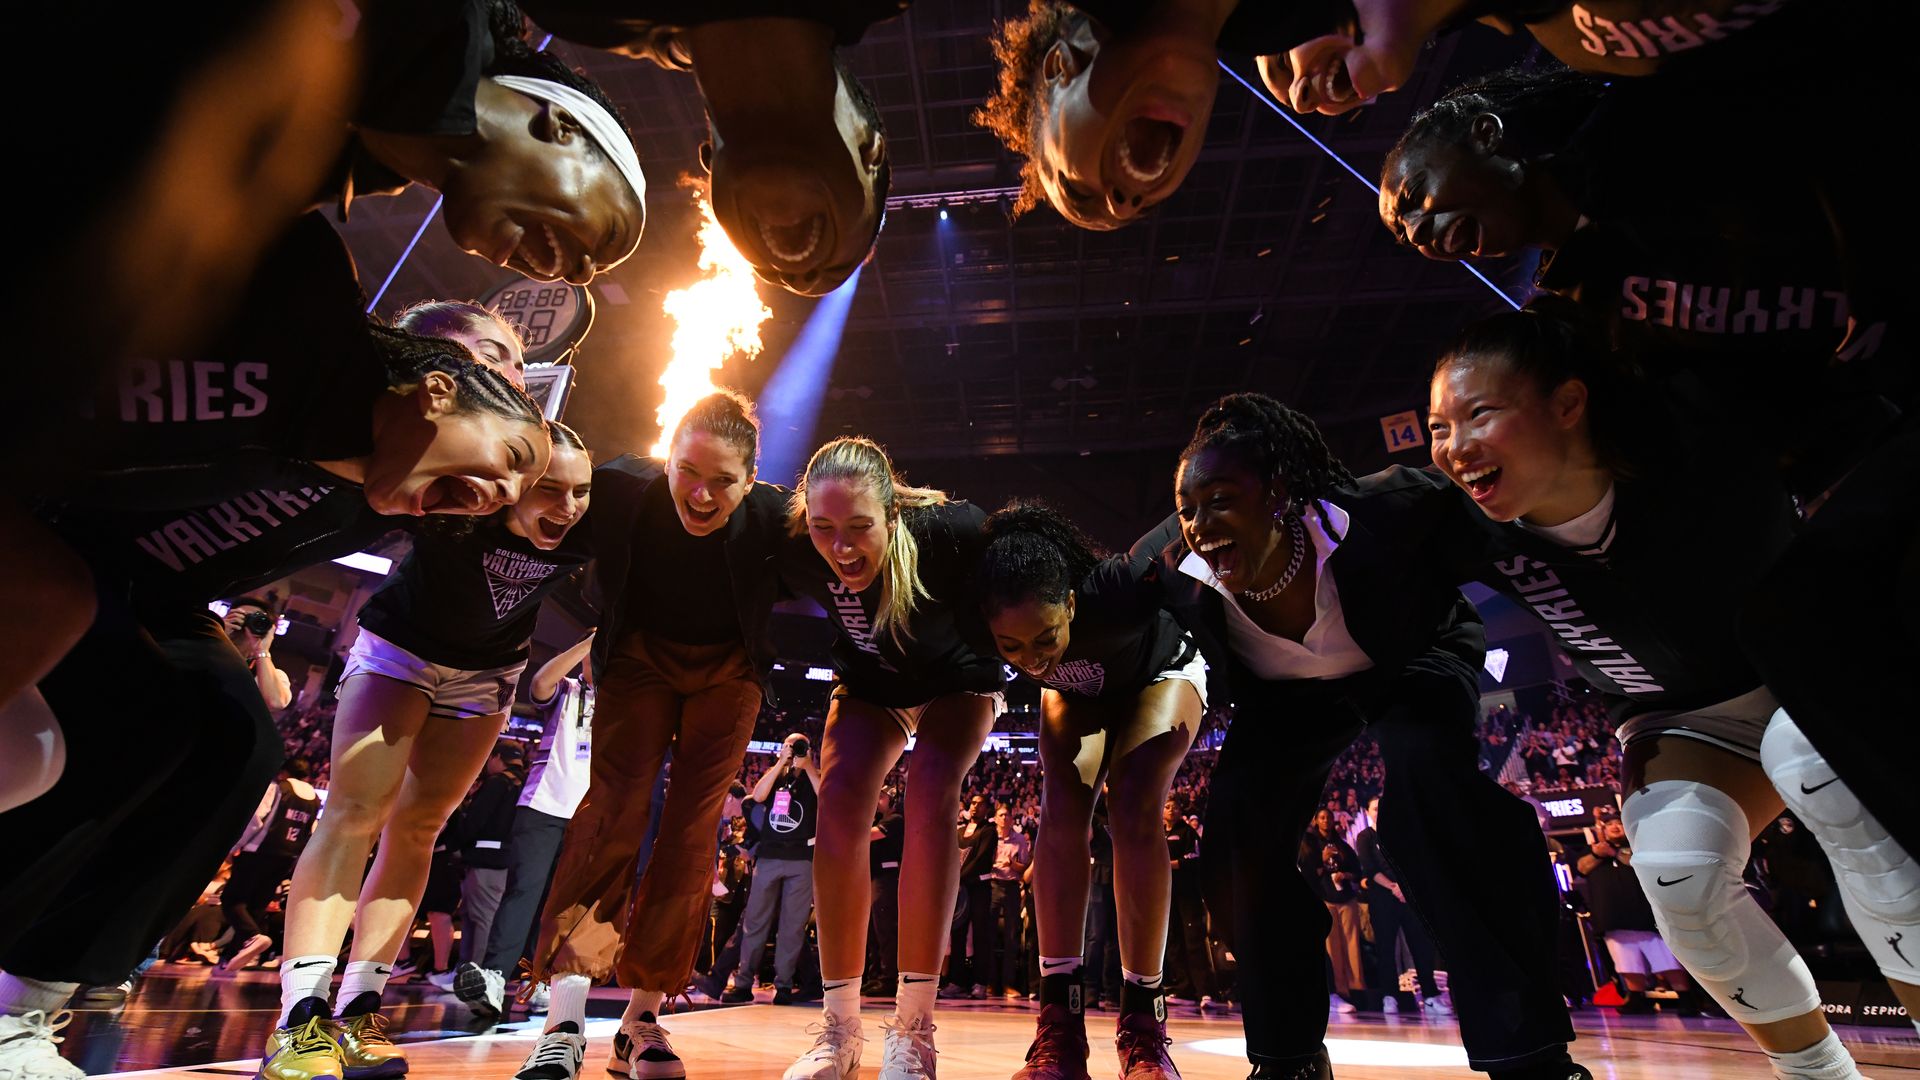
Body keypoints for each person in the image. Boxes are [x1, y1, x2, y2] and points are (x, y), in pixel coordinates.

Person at [0, 222, 550, 1080]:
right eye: (497, 359)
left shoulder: (412, 486)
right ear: (432, 370)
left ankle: (21, 1015)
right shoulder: (292, 367)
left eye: (521, 373)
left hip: (155, 596)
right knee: (98, 728)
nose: (514, 380)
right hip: (53, 544)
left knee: (235, 737)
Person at [1422, 308, 1914, 1077]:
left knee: (1810, 768)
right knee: (1679, 877)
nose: (1454, 447)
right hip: (1679, 719)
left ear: (1568, 402)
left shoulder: (1692, 428)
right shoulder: (1450, 522)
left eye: (1478, 413)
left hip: (1806, 677)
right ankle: (1818, 1074)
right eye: (1438, 427)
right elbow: (1311, 509)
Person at [1126, 393, 1587, 1080]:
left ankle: (1528, 1050)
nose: (1199, 524)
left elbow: (1524, 542)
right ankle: (1289, 1056)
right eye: (1188, 509)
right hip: (1286, 698)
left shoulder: (1391, 510)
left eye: (1221, 500)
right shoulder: (1166, 562)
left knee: (1426, 792)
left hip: (1410, 657)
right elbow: (1084, 603)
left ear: (1279, 492)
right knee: (1234, 840)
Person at [263, 423, 592, 1080]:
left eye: (581, 492)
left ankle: (358, 1011)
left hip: (488, 675)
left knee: (418, 830)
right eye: (551, 489)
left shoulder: (588, 526)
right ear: (512, 485)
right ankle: (298, 1020)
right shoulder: (460, 503)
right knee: (354, 815)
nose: (569, 507)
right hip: (400, 652)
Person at [514, 391, 794, 1080]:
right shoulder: (617, 486)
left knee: (693, 833)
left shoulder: (778, 517)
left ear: (752, 479)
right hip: (638, 657)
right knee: (611, 812)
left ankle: (643, 1018)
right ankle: (564, 1021)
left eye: (722, 480)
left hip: (730, 670)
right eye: (687, 471)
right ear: (665, 459)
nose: (700, 493)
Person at [775, 436, 1008, 1080]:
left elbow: (1033, 574)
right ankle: (840, 1033)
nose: (841, 548)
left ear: (893, 515)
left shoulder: (952, 532)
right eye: (825, 530)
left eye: (858, 528)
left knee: (932, 785)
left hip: (957, 681)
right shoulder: (795, 543)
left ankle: (913, 1031)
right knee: (842, 800)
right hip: (872, 685)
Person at [973, 498, 1210, 1078]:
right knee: (1060, 807)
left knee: (1132, 800)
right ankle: (1059, 1029)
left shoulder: (1119, 585)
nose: (1032, 659)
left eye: (1045, 636)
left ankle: (1144, 1030)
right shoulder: (982, 612)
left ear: (1072, 603)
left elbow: (1196, 514)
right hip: (1084, 694)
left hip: (1163, 671)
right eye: (1012, 648)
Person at [516, 1, 898, 296]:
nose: (798, 276)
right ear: (871, 150)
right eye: (838, 267)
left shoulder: (578, 13)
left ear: (710, 166)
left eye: (770, 274)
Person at [335, 0, 645, 284]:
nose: (582, 276)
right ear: (562, 127)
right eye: (612, 233)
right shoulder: (438, 14)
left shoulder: (334, 174)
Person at [977, 0, 1355, 229]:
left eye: (1077, 190)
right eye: (1146, 206)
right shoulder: (1305, 17)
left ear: (1060, 66)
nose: (1124, 204)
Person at [457, 633, 597, 1019]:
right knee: (524, 891)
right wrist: (588, 642)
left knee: (560, 905)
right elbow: (539, 684)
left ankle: (536, 980)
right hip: (543, 807)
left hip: (589, 816)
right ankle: (495, 976)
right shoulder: (568, 689)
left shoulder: (623, 703)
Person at [723, 733, 822, 1006]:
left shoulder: (814, 776)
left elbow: (826, 798)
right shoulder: (776, 774)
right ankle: (743, 983)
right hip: (769, 857)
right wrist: (781, 763)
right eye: (790, 745)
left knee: (792, 927)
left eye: (800, 746)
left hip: (802, 858)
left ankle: (784, 987)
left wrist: (808, 765)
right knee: (755, 921)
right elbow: (760, 795)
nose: (795, 750)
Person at [1574, 817, 1699, 1016]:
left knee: (1667, 961)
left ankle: (1686, 997)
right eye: (1609, 825)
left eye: (1618, 823)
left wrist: (1614, 852)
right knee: (1626, 963)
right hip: (1612, 918)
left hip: (1646, 916)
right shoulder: (1593, 853)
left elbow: (1638, 863)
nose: (1614, 827)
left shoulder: (1641, 848)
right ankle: (1636, 997)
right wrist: (1597, 854)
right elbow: (1582, 867)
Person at [220, 758, 324, 973]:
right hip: (288, 856)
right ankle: (229, 959)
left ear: (284, 772)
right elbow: (311, 830)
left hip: (260, 850)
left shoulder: (278, 788)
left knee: (232, 899)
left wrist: (236, 845)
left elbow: (256, 819)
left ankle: (251, 937)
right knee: (257, 905)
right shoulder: (314, 799)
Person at [1353, 796, 1443, 1016]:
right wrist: (1394, 887)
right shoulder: (1365, 837)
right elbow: (1370, 868)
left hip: (1408, 897)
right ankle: (1389, 996)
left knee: (1420, 947)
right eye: (1375, 808)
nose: (1379, 811)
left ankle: (1430, 995)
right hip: (1382, 898)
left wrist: (1405, 888)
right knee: (1386, 949)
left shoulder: (1400, 834)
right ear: (1367, 812)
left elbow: (1413, 863)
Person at [456, 744, 533, 972]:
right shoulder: (528, 783)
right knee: (483, 916)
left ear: (496, 757)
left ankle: (472, 972)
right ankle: (467, 971)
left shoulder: (499, 782)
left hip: (485, 859)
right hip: (513, 860)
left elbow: (476, 820)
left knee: (479, 918)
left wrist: (457, 843)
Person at [1301, 810, 1364, 1013]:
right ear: (1315, 821)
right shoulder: (1309, 845)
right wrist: (1322, 858)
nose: (1326, 821)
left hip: (1346, 898)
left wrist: (1345, 875)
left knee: (1352, 945)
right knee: (1332, 947)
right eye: (1322, 818)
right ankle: (1339, 990)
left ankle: (1357, 989)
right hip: (1325, 899)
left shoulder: (1342, 844)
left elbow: (1357, 871)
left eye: (1328, 817)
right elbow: (1308, 872)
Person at [945, 794, 999, 1000]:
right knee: (957, 934)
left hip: (979, 888)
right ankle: (957, 982)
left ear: (987, 809)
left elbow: (981, 859)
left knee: (980, 935)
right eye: (973, 803)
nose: (975, 807)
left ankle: (979, 982)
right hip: (960, 889)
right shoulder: (958, 831)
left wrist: (957, 877)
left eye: (980, 804)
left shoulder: (989, 831)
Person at [989, 805, 1033, 1001]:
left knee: (1011, 936)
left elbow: (1023, 867)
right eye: (1001, 815)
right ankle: (989, 983)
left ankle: (1008, 984)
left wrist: (1012, 865)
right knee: (988, 935)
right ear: (995, 818)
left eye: (1007, 815)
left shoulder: (1020, 839)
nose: (1004, 818)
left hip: (1012, 886)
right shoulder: (990, 837)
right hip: (992, 885)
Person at [864, 788, 905, 997]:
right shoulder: (880, 819)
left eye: (881, 797)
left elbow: (870, 835)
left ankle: (889, 977)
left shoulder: (895, 819)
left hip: (886, 878)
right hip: (875, 877)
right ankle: (875, 975)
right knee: (872, 930)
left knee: (884, 929)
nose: (877, 800)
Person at [223, 597, 295, 712]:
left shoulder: (272, 676)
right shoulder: (205, 651)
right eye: (241, 616)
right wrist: (218, 634)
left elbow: (275, 703)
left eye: (254, 619)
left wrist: (262, 650)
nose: (245, 624)